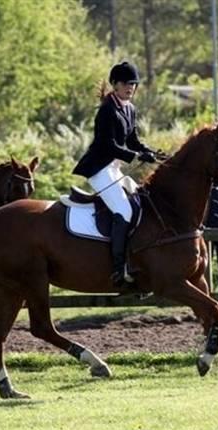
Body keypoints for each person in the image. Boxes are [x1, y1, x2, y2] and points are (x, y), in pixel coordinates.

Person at [72, 61, 159, 287]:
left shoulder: (129, 108)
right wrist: (137, 157)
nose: (131, 87)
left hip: (114, 168)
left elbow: (133, 140)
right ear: (115, 85)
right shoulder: (107, 110)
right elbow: (108, 145)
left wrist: (148, 151)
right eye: (126, 83)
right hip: (99, 168)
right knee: (123, 209)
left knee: (139, 199)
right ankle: (118, 269)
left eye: (134, 84)